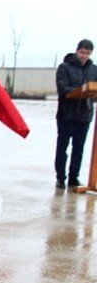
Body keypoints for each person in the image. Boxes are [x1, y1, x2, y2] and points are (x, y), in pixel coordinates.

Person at [54, 39, 97, 189]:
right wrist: (79, 90)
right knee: (62, 147)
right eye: (82, 52)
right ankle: (60, 178)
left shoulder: (94, 70)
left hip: (84, 116)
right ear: (77, 51)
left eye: (88, 53)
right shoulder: (64, 67)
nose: (84, 56)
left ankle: (74, 178)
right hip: (67, 115)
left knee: (78, 148)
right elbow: (62, 88)